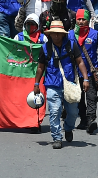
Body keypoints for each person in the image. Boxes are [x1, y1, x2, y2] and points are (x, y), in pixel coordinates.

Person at [34, 19, 91, 148]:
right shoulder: (45, 48)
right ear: (50, 34)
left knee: (72, 112)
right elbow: (40, 67)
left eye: (58, 33)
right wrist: (36, 84)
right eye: (53, 33)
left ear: (63, 34)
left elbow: (80, 62)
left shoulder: (71, 45)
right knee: (55, 111)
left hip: (69, 82)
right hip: (52, 84)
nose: (56, 35)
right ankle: (57, 138)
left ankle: (69, 128)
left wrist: (86, 79)